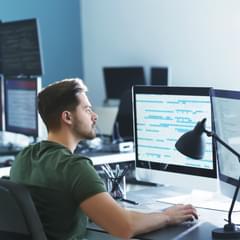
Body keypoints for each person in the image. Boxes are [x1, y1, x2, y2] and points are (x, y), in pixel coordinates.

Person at [10, 78, 198, 239]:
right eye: (87, 109)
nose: (94, 116)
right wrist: (167, 216)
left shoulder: (24, 156)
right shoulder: (74, 167)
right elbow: (125, 227)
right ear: (67, 117)